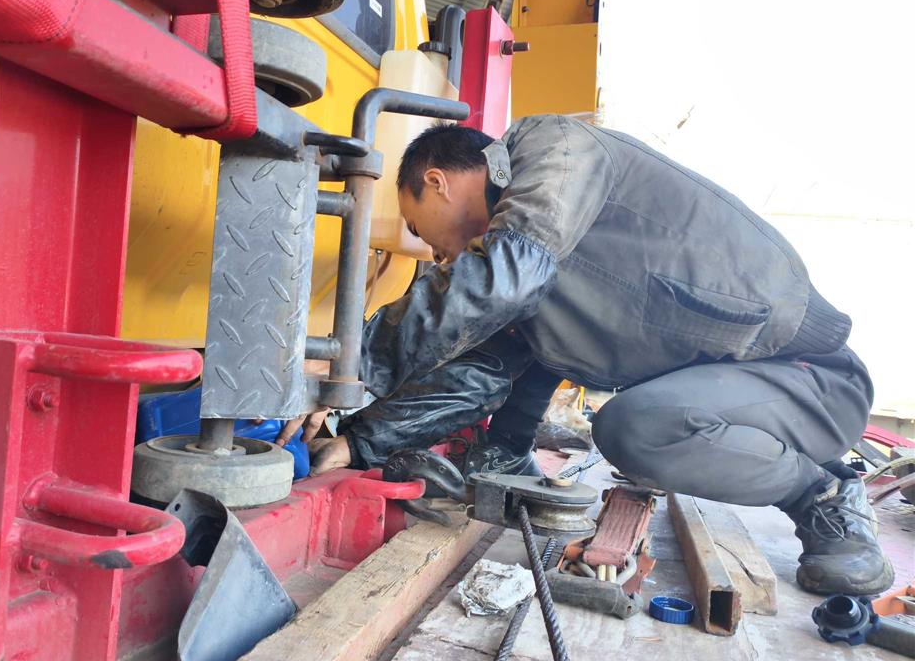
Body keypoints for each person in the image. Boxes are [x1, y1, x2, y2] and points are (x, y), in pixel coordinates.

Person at [278, 117, 892, 596]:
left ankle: (825, 497)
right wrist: (357, 440)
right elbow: (476, 372)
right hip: (735, 390)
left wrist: (350, 362)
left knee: (632, 428)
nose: (434, 253)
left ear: (436, 182)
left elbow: (500, 281)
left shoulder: (558, 150)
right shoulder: (530, 259)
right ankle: (503, 450)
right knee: (601, 396)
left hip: (811, 381)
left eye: (419, 227)